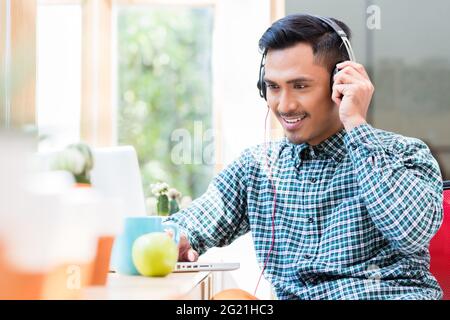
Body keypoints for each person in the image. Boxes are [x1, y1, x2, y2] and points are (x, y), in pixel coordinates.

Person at [165, 14, 444, 300]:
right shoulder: (257, 167)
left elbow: (411, 233)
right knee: (229, 300)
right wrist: (176, 236)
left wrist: (356, 124)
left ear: (341, 83)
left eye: (300, 86)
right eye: (273, 87)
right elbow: (197, 219)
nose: (284, 105)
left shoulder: (403, 153)